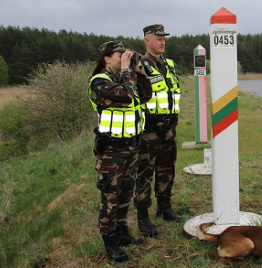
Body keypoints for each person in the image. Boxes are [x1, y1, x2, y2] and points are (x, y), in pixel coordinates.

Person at [88, 41, 152, 262]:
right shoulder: (99, 82)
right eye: (119, 54)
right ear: (106, 58)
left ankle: (123, 233)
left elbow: (145, 95)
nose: (123, 57)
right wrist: (126, 70)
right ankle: (110, 242)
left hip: (131, 146)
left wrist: (137, 70)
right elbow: (125, 95)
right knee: (110, 197)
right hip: (112, 151)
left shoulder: (126, 78)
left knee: (126, 192)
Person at [134, 24, 183, 237]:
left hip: (169, 128)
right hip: (149, 130)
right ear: (147, 40)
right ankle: (143, 217)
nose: (163, 42)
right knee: (144, 172)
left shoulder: (169, 65)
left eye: (164, 38)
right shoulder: (139, 66)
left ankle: (164, 208)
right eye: (158, 38)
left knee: (166, 168)